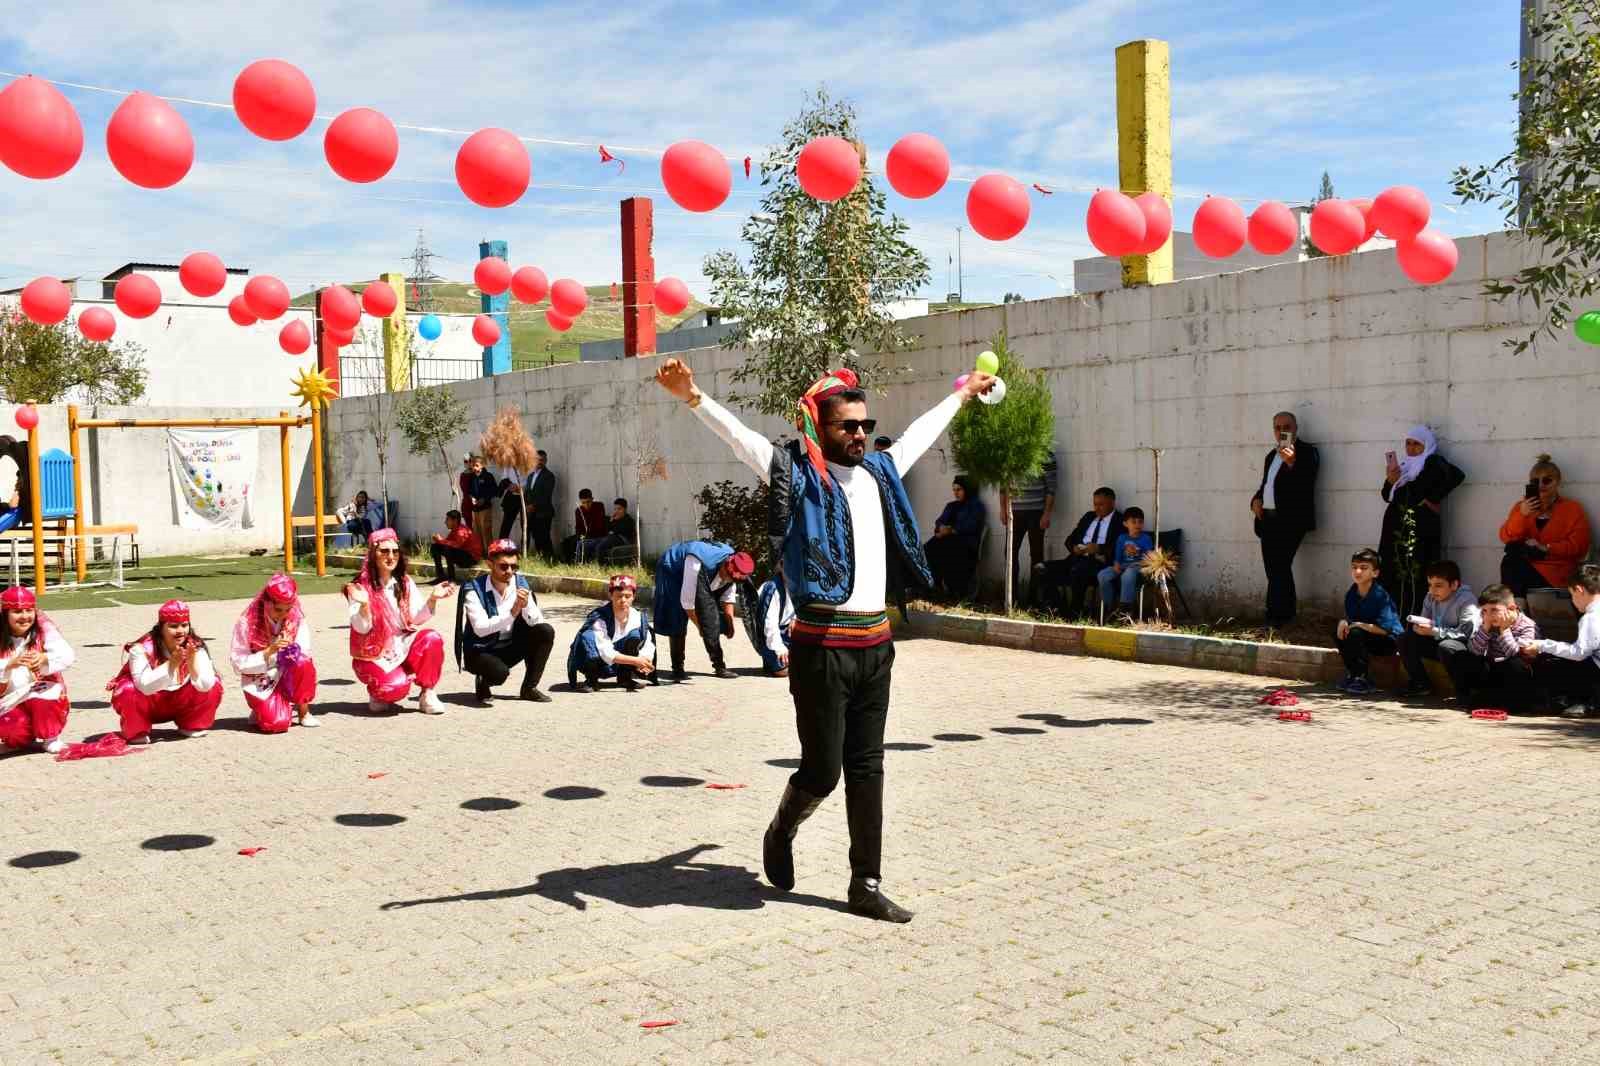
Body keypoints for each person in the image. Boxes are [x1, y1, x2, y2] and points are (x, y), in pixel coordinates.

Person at [659, 354, 996, 924]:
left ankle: (865, 882)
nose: (860, 434)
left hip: (876, 647)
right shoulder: (796, 475)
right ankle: (781, 828)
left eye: (865, 425)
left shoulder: (882, 473)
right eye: (848, 425)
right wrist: (693, 397)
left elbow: (917, 435)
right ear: (818, 425)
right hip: (820, 649)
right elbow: (740, 439)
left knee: (869, 765)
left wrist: (961, 396)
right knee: (822, 771)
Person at [344, 528, 453, 715]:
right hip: (373, 654)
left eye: (395, 551)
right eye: (384, 551)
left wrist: (433, 599)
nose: (391, 556)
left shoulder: (404, 582)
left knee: (432, 638)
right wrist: (363, 606)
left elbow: (415, 618)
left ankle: (427, 692)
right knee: (394, 689)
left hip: (401, 645)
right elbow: (361, 628)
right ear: (373, 555)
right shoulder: (360, 586)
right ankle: (378, 691)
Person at [454, 538, 555, 704]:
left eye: (514, 567)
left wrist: (526, 605)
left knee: (545, 631)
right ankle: (484, 680)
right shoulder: (473, 589)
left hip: (509, 645)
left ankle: (529, 688)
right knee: (499, 674)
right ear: (489, 564)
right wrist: (512, 612)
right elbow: (480, 629)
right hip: (481, 649)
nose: (509, 571)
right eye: (503, 566)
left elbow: (537, 622)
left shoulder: (520, 583)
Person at [1378, 426, 1465, 618]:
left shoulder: (1432, 462)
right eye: (1408, 443)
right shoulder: (1405, 465)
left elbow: (1455, 477)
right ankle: (1394, 620)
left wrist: (1431, 498)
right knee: (1393, 571)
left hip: (1420, 526)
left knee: (1417, 573)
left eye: (1416, 444)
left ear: (1426, 445)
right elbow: (1387, 496)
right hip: (1397, 525)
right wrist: (1391, 481)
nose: (1411, 448)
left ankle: (1415, 619)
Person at [109, 599, 222, 744]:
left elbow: (206, 686)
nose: (180, 631)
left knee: (216, 683)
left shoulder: (195, 647)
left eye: (184, 625)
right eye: (173, 626)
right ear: (161, 627)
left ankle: (193, 723)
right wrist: (171, 664)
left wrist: (192, 664)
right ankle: (137, 730)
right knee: (127, 689)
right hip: (151, 704)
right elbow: (144, 686)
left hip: (180, 702)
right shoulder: (141, 649)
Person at [1251, 411, 1321, 627]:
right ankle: (1280, 614)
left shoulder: (1308, 452)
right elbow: (1266, 485)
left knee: (1279, 566)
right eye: (1277, 427)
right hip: (1268, 520)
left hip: (1291, 520)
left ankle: (1278, 616)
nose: (1282, 431)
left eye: (1287, 426)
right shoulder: (1271, 456)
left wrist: (1292, 463)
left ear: (1296, 428)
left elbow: (1306, 483)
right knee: (1274, 568)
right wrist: (1255, 501)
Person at [652, 540, 754, 682]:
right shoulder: (696, 562)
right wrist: (700, 626)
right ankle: (677, 669)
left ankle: (719, 666)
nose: (728, 580)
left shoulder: (733, 565)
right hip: (672, 570)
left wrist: (730, 622)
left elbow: (727, 596)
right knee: (677, 617)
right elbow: (687, 603)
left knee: (711, 619)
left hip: (701, 571)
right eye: (728, 576)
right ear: (725, 565)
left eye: (732, 579)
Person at [229, 574, 318, 733]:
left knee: (303, 661)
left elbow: (305, 650)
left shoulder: (296, 618)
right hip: (261, 676)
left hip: (287, 670)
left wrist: (290, 650)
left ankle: (304, 711)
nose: (283, 614)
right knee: (277, 723)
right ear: (266, 602)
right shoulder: (247, 622)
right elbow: (238, 662)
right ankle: (262, 708)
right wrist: (269, 651)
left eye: (287, 609)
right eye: (278, 609)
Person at [1498, 454, 1592, 598]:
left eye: (1547, 481)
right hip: (1526, 566)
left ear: (1558, 482)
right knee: (1511, 555)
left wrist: (1547, 548)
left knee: (1513, 563)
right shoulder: (1522, 507)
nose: (1541, 485)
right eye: (1535, 482)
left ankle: (1515, 608)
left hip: (1557, 571)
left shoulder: (1572, 508)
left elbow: (1579, 546)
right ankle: (1516, 608)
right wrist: (1522, 515)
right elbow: (1507, 537)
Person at [0, 585, 73, 755]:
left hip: (39, 696)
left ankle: (51, 737)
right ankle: (19, 739)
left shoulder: (43, 630)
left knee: (44, 695)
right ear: (5, 614)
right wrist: (9, 664)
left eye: (28, 611)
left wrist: (43, 658)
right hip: (9, 700)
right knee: (9, 724)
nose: (25, 617)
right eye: (17, 612)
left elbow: (68, 656)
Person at [1446, 584, 1540, 710]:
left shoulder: (1527, 626)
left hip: (1513, 675)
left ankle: (1511, 702)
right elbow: (1475, 652)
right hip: (1493, 671)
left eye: (1494, 610)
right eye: (1484, 611)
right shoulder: (1487, 622)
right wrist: (1485, 629)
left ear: (1511, 608)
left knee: (1516, 664)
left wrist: (1504, 630)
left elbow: (1518, 656)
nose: (1488, 615)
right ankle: (1469, 697)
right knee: (1460, 656)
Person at [1523, 563, 1600, 718]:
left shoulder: (1591, 617)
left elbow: (1579, 653)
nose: (1573, 601)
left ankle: (1586, 703)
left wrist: (1543, 644)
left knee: (1557, 662)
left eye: (1572, 595)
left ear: (1579, 590)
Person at [1396, 560, 1479, 699]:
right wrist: (1419, 628)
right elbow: (1425, 620)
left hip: (1460, 648)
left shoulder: (1467, 601)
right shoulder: (1430, 597)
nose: (1432, 590)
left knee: (1446, 646)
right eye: (1430, 585)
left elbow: (1466, 634)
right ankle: (1421, 684)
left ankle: (1464, 693)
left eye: (1438, 586)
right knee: (1405, 638)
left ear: (1454, 585)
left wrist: (1434, 631)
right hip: (1436, 640)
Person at [1033, 488, 1122, 617]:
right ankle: (1058, 608)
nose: (1097, 508)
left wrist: (1099, 549)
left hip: (1098, 563)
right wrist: (1074, 548)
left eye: (1101, 505)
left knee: (1079, 570)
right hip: (1075, 559)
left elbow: (1120, 546)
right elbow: (1069, 540)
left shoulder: (1119, 520)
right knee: (1040, 568)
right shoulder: (1089, 517)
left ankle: (1075, 612)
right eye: (1095, 504)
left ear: (1112, 503)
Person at [566, 574, 657, 692]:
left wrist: (645, 659)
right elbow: (605, 651)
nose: (623, 600)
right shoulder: (599, 617)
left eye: (627, 596)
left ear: (633, 597)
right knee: (587, 637)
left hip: (619, 660)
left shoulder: (638, 617)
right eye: (619, 596)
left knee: (636, 636)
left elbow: (647, 642)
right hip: (596, 659)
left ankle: (625, 678)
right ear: (611, 596)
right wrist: (635, 661)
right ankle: (591, 680)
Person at [1334, 549, 1403, 694]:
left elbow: (1386, 629)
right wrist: (1343, 622)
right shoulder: (1352, 593)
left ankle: (1363, 679)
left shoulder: (1380, 596)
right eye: (1354, 567)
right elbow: (1352, 620)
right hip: (1366, 637)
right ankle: (1353, 674)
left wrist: (1359, 625)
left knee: (1356, 632)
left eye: (1364, 568)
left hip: (1388, 641)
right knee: (1341, 632)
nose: (1357, 571)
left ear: (1375, 573)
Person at [1000, 447, 1057, 596]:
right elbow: (1003, 485)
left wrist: (1046, 513)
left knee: (1036, 554)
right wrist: (1003, 509)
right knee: (1010, 553)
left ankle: (1035, 597)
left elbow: (1051, 488)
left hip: (1036, 512)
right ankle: (1011, 596)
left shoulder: (1046, 455)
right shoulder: (1009, 452)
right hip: (1014, 512)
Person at [923, 475, 986, 601]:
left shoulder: (976, 506)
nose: (956, 493)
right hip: (947, 541)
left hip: (966, 545)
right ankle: (934, 585)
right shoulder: (952, 506)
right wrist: (941, 529)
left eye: (959, 490)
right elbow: (939, 521)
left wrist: (951, 530)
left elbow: (971, 526)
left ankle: (954, 592)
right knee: (928, 548)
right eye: (954, 490)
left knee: (948, 551)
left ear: (967, 490)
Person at [1097, 506, 1153, 618]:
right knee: (1103, 575)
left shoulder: (1145, 538)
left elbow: (1149, 557)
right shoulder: (1122, 538)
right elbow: (1118, 554)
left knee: (1128, 574)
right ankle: (1108, 607)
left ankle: (1125, 609)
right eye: (1133, 522)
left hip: (1139, 566)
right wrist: (1116, 564)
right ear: (1125, 524)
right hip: (1123, 565)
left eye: (1140, 522)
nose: (1137, 525)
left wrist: (1140, 564)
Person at [753, 574, 795, 677]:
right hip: (768, 635)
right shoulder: (772, 588)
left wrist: (795, 618)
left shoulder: (800, 581)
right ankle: (772, 660)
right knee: (781, 671)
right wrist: (780, 649)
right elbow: (769, 625)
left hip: (787, 630)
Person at [430, 509, 483, 583]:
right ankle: (441, 576)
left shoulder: (461, 531)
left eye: (447, 520)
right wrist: (438, 541)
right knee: (435, 547)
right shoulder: (454, 530)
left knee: (448, 549)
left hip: (471, 559)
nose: (445, 522)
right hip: (463, 556)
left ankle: (452, 579)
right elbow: (446, 543)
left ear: (455, 521)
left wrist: (441, 540)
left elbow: (457, 545)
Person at [524, 450, 558, 561]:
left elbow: (546, 494)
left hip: (543, 512)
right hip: (531, 512)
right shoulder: (530, 476)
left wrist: (534, 505)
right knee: (535, 536)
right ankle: (541, 557)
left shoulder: (549, 476)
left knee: (544, 536)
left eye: (542, 460)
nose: (540, 462)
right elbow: (528, 493)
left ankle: (550, 558)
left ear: (546, 461)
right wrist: (527, 506)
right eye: (537, 460)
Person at [560, 489, 610, 563]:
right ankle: (568, 563)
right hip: (584, 535)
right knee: (567, 542)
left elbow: (599, 525)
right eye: (583, 503)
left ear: (592, 499)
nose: (586, 505)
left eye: (588, 502)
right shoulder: (578, 510)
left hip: (597, 535)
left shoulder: (599, 506)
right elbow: (578, 527)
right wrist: (580, 537)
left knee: (580, 544)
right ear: (580, 502)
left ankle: (579, 563)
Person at [464, 456, 500, 552]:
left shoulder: (488, 476)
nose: (475, 468)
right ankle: (479, 552)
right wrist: (472, 498)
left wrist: (484, 499)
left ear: (482, 465)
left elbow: (495, 491)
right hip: (475, 509)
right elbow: (469, 492)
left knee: (486, 530)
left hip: (485, 508)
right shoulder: (472, 477)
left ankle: (490, 552)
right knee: (477, 531)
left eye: (477, 465)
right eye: (473, 465)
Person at [587, 498, 637, 563]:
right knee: (591, 544)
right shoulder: (615, 519)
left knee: (600, 546)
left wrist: (613, 526)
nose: (616, 511)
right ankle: (587, 563)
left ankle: (601, 567)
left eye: (619, 509)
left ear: (625, 509)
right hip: (611, 538)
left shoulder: (628, 520)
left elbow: (618, 531)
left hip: (622, 540)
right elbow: (608, 531)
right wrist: (611, 520)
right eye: (615, 509)